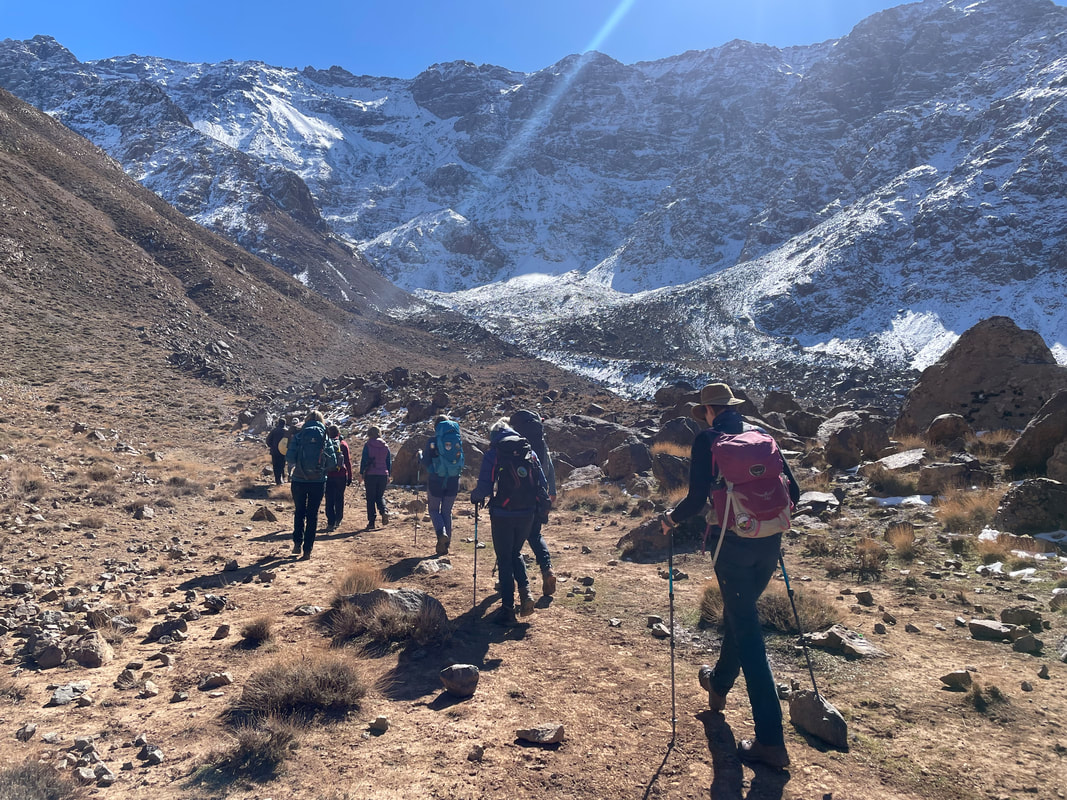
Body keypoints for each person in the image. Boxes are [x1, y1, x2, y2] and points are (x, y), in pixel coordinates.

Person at [659, 383, 800, 771]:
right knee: (742, 619)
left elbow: (694, 499)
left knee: (750, 635)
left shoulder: (708, 440)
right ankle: (718, 685)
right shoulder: (762, 437)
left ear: (707, 410)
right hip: (769, 543)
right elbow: (796, 492)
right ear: (732, 408)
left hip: (731, 546)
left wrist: (669, 520)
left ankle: (771, 740)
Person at [470, 418, 550, 626]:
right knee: (515, 553)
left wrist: (475, 496)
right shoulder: (529, 452)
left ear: (494, 435)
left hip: (503, 514)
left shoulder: (494, 454)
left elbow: (485, 489)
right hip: (528, 513)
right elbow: (542, 483)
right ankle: (525, 596)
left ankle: (507, 609)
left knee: (505, 558)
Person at [509, 409, 557, 595]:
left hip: (517, 498)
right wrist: (551, 492)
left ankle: (513, 582)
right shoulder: (541, 442)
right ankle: (547, 568)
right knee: (535, 535)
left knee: (512, 542)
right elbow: (549, 466)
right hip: (539, 495)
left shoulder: (515, 439)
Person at [285, 411, 339, 560]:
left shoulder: (299, 435)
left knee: (299, 512)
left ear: (306, 420)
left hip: (299, 479)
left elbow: (289, 457)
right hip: (318, 481)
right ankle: (307, 550)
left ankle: (297, 543)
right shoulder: (325, 437)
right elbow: (333, 463)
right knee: (312, 515)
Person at [421, 416, 462, 556]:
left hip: (436, 480)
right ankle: (446, 544)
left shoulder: (432, 441)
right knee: (447, 511)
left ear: (436, 427)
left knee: (433, 510)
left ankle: (441, 534)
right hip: (453, 480)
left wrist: (420, 457)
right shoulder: (457, 440)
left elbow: (426, 461)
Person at [359, 426, 392, 530]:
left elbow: (364, 460)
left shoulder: (368, 445)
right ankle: (384, 511)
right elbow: (388, 462)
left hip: (371, 474)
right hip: (383, 474)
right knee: (380, 495)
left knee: (370, 498)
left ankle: (371, 522)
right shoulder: (385, 446)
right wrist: (388, 474)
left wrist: (361, 473)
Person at [324, 424, 352, 531]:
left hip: (328, 475)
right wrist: (350, 476)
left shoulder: (326, 444)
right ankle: (338, 519)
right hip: (341, 475)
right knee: (339, 498)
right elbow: (348, 462)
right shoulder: (343, 444)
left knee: (329, 499)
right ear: (339, 433)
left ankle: (330, 522)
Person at [265, 417, 288, 485]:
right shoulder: (286, 431)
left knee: (275, 466)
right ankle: (282, 478)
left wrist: (271, 446)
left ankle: (278, 480)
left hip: (274, 451)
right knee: (282, 465)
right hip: (283, 452)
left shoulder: (274, 430)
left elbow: (268, 440)